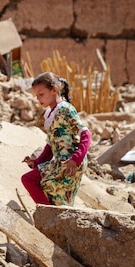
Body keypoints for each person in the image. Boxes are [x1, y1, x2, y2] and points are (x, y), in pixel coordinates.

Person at [21, 72, 91, 206]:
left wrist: (76, 159)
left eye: (41, 94)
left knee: (29, 179)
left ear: (54, 90)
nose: (38, 99)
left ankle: (47, 216)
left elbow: (86, 134)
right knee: (57, 198)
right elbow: (50, 147)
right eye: (36, 95)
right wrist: (35, 163)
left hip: (70, 162)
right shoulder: (49, 114)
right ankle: (52, 219)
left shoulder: (65, 109)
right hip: (61, 162)